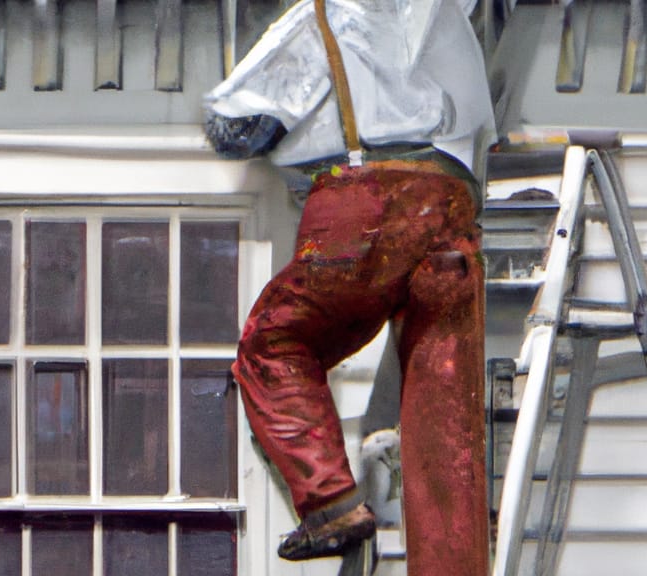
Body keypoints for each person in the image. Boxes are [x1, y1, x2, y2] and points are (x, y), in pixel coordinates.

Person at [204, 0, 495, 572]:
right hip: (455, 217)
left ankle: (331, 502)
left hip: (368, 201)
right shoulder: (452, 15)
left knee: (275, 342)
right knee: (444, 423)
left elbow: (235, 127)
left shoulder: (327, 13)